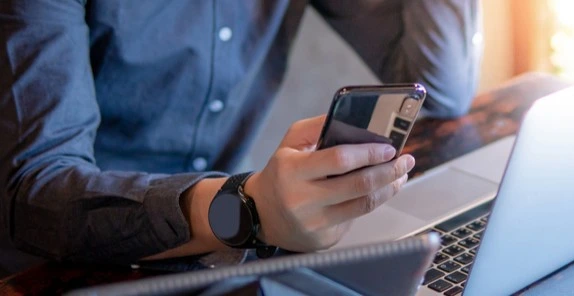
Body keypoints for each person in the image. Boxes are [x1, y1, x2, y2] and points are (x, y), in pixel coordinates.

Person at [0, 0, 481, 275]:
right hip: (51, 270)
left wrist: (253, 213)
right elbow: (36, 194)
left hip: (215, 259)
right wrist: (247, 208)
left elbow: (437, 89)